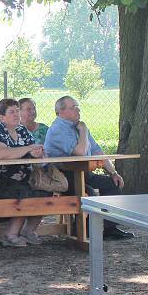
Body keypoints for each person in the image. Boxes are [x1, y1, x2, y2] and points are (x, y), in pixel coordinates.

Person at [44, 96, 134, 240]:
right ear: (60, 111)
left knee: (112, 184)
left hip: (83, 173)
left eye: (77, 106)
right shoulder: (57, 130)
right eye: (73, 107)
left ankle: (110, 229)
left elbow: (97, 151)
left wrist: (113, 172)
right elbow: (81, 152)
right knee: (88, 192)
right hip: (63, 177)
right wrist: (84, 130)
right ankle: (82, 232)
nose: (78, 110)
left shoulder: (79, 127)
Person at [0, 98, 49, 247]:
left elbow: (32, 153)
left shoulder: (23, 130)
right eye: (11, 112)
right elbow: (0, 154)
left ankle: (28, 231)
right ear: (2, 117)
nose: (16, 114)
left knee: (44, 192)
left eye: (17, 111)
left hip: (21, 178)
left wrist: (36, 153)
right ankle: (10, 235)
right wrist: (28, 149)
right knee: (23, 192)